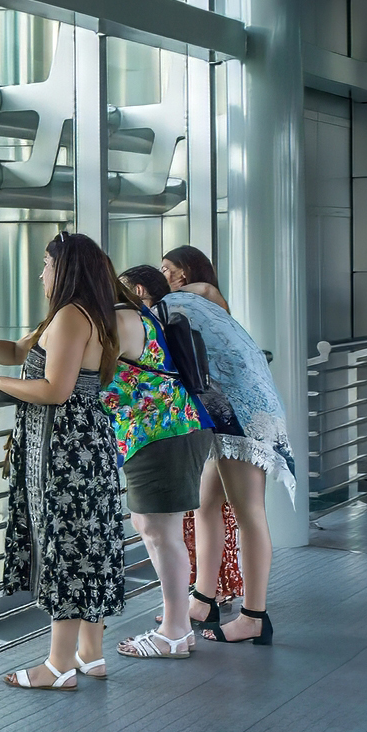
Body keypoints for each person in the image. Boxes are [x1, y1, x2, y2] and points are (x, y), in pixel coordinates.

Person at [0, 232, 124, 690]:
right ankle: (90, 654)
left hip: (66, 450)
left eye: (46, 263)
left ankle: (57, 667)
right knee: (88, 542)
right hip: (88, 446)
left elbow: (54, 390)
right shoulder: (86, 315)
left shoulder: (68, 317)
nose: (41, 272)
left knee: (66, 547)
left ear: (66, 269)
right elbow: (22, 353)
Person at [121, 262, 293, 645]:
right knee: (206, 502)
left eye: (123, 293)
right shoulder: (177, 307)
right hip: (224, 412)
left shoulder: (168, 308)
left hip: (241, 414)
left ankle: (254, 616)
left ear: (138, 291)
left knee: (249, 511)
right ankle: (203, 598)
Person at [101, 276, 215, 661]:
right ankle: (177, 625)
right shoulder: (132, 315)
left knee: (160, 532)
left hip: (162, 432)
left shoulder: (122, 320)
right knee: (151, 528)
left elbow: (85, 376)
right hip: (165, 429)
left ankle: (175, 632)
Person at [161, 245, 230, 313]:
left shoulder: (206, 291)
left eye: (164, 270)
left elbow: (205, 289)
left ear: (184, 271)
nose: (162, 275)